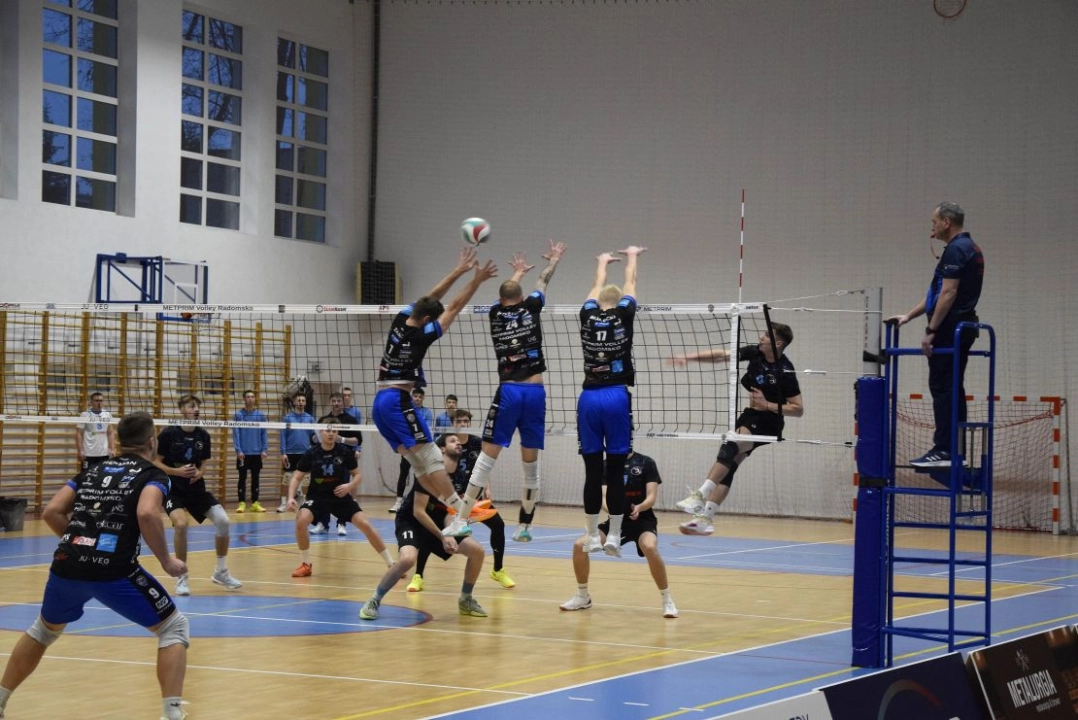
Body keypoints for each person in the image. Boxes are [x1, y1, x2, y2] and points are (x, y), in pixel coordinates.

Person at [0, 412, 190, 720]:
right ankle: (172, 714)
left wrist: (80, 542)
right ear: (152, 442)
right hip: (112, 571)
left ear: (116, 441)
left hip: (66, 565)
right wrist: (166, 561)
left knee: (43, 630)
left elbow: (51, 512)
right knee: (173, 627)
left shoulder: (91, 470)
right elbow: (147, 513)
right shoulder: (153, 475)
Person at [371, 246, 498, 538]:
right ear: (429, 320)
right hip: (396, 402)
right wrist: (476, 280)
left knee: (418, 465)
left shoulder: (401, 320)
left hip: (380, 404)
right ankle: (460, 512)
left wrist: (458, 270)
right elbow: (451, 306)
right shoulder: (422, 336)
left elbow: (432, 299)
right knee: (432, 457)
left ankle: (455, 511)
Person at [460, 241, 567, 544]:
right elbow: (544, 280)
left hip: (509, 392)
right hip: (535, 393)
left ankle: (460, 519)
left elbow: (506, 295)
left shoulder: (495, 314)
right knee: (530, 465)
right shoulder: (532, 307)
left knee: (485, 459)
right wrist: (554, 259)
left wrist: (516, 273)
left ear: (502, 298)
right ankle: (525, 527)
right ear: (522, 298)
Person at [671, 323, 803, 535]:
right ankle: (705, 518)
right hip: (751, 415)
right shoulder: (756, 353)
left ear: (778, 343)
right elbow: (722, 355)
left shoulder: (785, 370)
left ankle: (700, 495)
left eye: (767, 335)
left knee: (732, 444)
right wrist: (689, 357)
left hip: (770, 422)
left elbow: (798, 409)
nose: (761, 337)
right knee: (730, 463)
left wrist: (767, 404)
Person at [887, 201, 984, 468]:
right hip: (963, 327)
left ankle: (945, 450)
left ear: (946, 222)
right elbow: (937, 293)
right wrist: (909, 316)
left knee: (943, 388)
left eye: (934, 222)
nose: (932, 227)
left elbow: (949, 293)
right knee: (952, 388)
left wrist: (931, 330)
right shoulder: (970, 248)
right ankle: (954, 450)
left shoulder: (956, 249)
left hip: (951, 330)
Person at [359, 433, 488, 620]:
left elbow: (448, 511)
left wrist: (450, 532)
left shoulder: (460, 476)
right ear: (441, 449)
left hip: (437, 525)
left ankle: (466, 599)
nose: (458, 443)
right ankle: (374, 600)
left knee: (477, 552)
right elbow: (419, 511)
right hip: (411, 521)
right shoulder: (430, 472)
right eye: (452, 440)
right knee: (408, 559)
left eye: (458, 441)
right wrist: (443, 536)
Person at [576, 246, 646, 557]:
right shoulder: (624, 314)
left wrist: (602, 262)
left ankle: (592, 536)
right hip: (616, 397)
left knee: (593, 472)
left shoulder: (587, 315)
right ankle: (614, 536)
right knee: (615, 471)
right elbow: (631, 284)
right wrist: (632, 257)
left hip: (588, 399)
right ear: (618, 303)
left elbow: (594, 288)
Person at [408, 408, 515, 592]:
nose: (463, 425)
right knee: (431, 531)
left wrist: (486, 488)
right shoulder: (444, 442)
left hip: (470, 498)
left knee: (498, 524)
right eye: (459, 422)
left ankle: (498, 570)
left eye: (466, 421)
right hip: (447, 499)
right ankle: (418, 575)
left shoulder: (476, 443)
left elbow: (483, 467)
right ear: (453, 424)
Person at [561, 450, 678, 618]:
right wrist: (616, 512)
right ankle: (582, 597)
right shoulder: (606, 465)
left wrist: (640, 507)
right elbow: (602, 497)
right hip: (616, 520)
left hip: (643, 519)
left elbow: (652, 496)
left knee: (649, 547)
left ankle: (667, 600)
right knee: (580, 546)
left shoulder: (646, 462)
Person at [154, 394, 242, 595]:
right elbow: (156, 462)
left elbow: (202, 464)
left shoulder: (203, 435)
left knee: (223, 521)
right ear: (182, 409)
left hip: (196, 489)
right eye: (191, 406)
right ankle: (181, 577)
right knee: (181, 524)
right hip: (173, 490)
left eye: (197, 406)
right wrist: (176, 472)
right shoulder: (168, 434)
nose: (195, 409)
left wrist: (200, 473)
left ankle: (221, 572)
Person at [286, 427, 392, 577]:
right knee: (301, 521)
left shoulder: (344, 452)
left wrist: (350, 486)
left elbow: (357, 475)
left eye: (334, 431)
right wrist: (290, 498)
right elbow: (297, 477)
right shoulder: (311, 453)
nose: (331, 434)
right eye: (328, 431)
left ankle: (391, 564)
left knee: (365, 524)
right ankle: (306, 564)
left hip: (341, 497)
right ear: (320, 433)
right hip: (317, 497)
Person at [313, 392, 361, 536]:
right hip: (324, 459)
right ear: (330, 402)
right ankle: (322, 523)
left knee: (341, 492)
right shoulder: (323, 419)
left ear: (343, 402)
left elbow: (357, 440)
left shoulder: (350, 419)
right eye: (333, 400)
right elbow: (314, 439)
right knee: (323, 492)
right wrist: (317, 437)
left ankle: (341, 523)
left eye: (339, 401)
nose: (336, 403)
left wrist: (341, 439)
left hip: (343, 459)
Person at [389, 387, 434, 514]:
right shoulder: (404, 411)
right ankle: (398, 501)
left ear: (423, 398)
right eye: (415, 396)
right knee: (403, 473)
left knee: (419, 475)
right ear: (412, 397)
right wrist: (399, 445)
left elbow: (426, 430)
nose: (418, 399)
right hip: (407, 447)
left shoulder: (427, 413)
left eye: (420, 397)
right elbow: (401, 429)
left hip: (420, 448)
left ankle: (416, 502)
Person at [278, 391, 315, 512]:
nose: (301, 403)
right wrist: (283, 453)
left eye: (303, 401)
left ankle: (304, 503)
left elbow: (314, 437)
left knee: (306, 480)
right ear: (294, 402)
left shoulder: (310, 419)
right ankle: (283, 503)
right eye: (299, 400)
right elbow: (283, 436)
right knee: (287, 479)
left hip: (305, 453)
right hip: (290, 453)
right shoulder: (287, 418)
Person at [232, 389, 268, 514]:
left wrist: (264, 449)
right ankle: (241, 503)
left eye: (252, 396)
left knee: (255, 478)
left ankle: (255, 503)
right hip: (243, 453)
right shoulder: (238, 415)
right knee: (242, 478)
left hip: (257, 453)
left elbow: (264, 433)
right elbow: (235, 434)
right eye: (247, 396)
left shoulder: (260, 415)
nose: (250, 399)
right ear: (244, 399)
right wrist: (238, 450)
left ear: (255, 399)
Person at [75, 390, 116, 471]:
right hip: (89, 453)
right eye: (96, 401)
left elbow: (111, 433)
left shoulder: (107, 414)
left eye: (101, 401)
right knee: (86, 477)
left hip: (104, 453)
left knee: (102, 476)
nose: (99, 403)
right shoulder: (85, 415)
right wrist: (80, 450)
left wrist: (112, 448)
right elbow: (79, 434)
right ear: (91, 402)